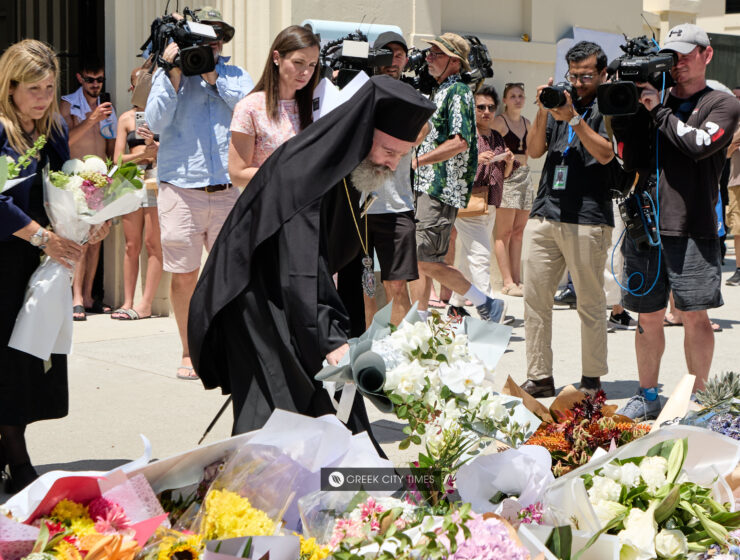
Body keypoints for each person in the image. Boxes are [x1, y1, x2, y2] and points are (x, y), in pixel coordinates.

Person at [187, 76, 436, 446]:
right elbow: (301, 267)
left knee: (335, 399)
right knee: (278, 410)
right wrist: (330, 338)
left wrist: (352, 338)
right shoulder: (307, 174)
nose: (392, 163)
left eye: (401, 155)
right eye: (388, 150)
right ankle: (257, 496)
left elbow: (347, 260)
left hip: (298, 298)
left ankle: (350, 489)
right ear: (361, 131)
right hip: (259, 300)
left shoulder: (354, 168)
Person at [0, 39, 109, 492]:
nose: (43, 97)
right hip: (6, 258)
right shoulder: (0, 130)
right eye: (33, 88)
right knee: (6, 358)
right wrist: (44, 236)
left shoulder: (55, 129)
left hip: (39, 263)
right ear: (9, 87)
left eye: (49, 87)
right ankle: (17, 457)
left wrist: (94, 220)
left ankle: (10, 448)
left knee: (28, 359)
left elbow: (74, 184)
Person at [616, 24, 740, 420]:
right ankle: (647, 394)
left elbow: (697, 145)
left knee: (694, 315)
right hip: (646, 227)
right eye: (673, 55)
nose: (679, 63)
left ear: (707, 54)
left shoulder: (721, 103)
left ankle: (699, 400)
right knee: (647, 315)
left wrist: (659, 110)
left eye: (687, 54)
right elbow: (628, 156)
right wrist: (627, 106)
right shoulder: (650, 100)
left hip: (694, 225)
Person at [145, 6, 253, 380]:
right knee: (185, 275)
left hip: (229, 190)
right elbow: (155, 121)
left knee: (235, 274)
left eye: (218, 39)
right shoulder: (169, 75)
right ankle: (190, 351)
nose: (213, 45)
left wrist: (212, 78)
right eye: (204, 39)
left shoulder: (236, 75)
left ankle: (233, 347)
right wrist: (174, 75)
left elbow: (251, 111)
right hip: (181, 189)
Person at [520, 41, 616, 398]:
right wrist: (546, 108)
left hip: (588, 217)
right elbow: (533, 151)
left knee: (589, 302)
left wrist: (574, 118)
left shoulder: (610, 106)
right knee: (535, 299)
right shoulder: (562, 99)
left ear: (603, 73)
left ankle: (592, 378)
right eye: (572, 76)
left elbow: (606, 155)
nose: (577, 83)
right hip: (546, 211)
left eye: (586, 76)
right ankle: (540, 375)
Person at [409, 33, 507, 323]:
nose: (427, 57)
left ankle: (484, 301)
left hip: (440, 189)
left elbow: (460, 141)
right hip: (427, 186)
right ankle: (422, 321)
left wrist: (419, 161)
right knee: (422, 260)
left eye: (435, 53)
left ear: (453, 61)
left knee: (421, 260)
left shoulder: (459, 92)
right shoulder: (440, 91)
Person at [358, 31, 421, 327]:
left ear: (406, 60)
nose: (392, 60)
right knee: (364, 286)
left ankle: (406, 353)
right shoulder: (357, 91)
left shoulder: (413, 97)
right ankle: (367, 354)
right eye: (386, 53)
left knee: (396, 285)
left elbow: (419, 134)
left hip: (396, 208)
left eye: (399, 55)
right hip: (357, 208)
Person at [448, 85, 516, 318]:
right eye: (481, 107)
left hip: (490, 203)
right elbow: (451, 166)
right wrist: (476, 160)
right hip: (469, 203)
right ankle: (488, 307)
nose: (486, 111)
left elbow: (503, 175)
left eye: (490, 108)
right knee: (480, 255)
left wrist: (506, 162)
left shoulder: (496, 136)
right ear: (472, 109)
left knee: (469, 255)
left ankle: (456, 305)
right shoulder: (465, 136)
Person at [228, 25, 320, 188]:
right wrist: (288, 172)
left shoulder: (317, 105)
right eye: (299, 62)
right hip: (268, 207)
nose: (306, 72)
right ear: (276, 57)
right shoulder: (250, 107)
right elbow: (238, 174)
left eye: (312, 64)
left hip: (307, 207)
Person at [60, 57, 116, 321]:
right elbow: (65, 141)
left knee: (96, 240)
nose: (96, 84)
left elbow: (110, 145)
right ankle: (76, 298)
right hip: (76, 177)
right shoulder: (67, 104)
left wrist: (115, 175)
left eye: (100, 80)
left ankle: (90, 295)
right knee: (79, 240)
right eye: (90, 79)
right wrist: (91, 120)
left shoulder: (107, 107)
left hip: (101, 178)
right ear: (80, 78)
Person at [111, 67, 162, 321]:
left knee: (154, 243)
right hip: (132, 181)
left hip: (155, 180)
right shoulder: (126, 119)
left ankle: (146, 304)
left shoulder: (165, 115)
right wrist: (142, 154)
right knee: (132, 244)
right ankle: (127, 301)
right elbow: (117, 159)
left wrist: (156, 147)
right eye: (138, 82)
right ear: (132, 87)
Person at [492, 82, 532, 296]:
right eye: (513, 96)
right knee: (504, 232)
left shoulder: (528, 122)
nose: (518, 99)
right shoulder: (500, 121)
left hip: (525, 176)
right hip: (507, 177)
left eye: (521, 96)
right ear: (505, 101)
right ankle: (506, 281)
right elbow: (485, 142)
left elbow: (533, 151)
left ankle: (517, 280)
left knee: (518, 232)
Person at [723, 86, 740, 286]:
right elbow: (725, 154)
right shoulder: (732, 124)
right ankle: (738, 269)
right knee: (737, 228)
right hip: (735, 181)